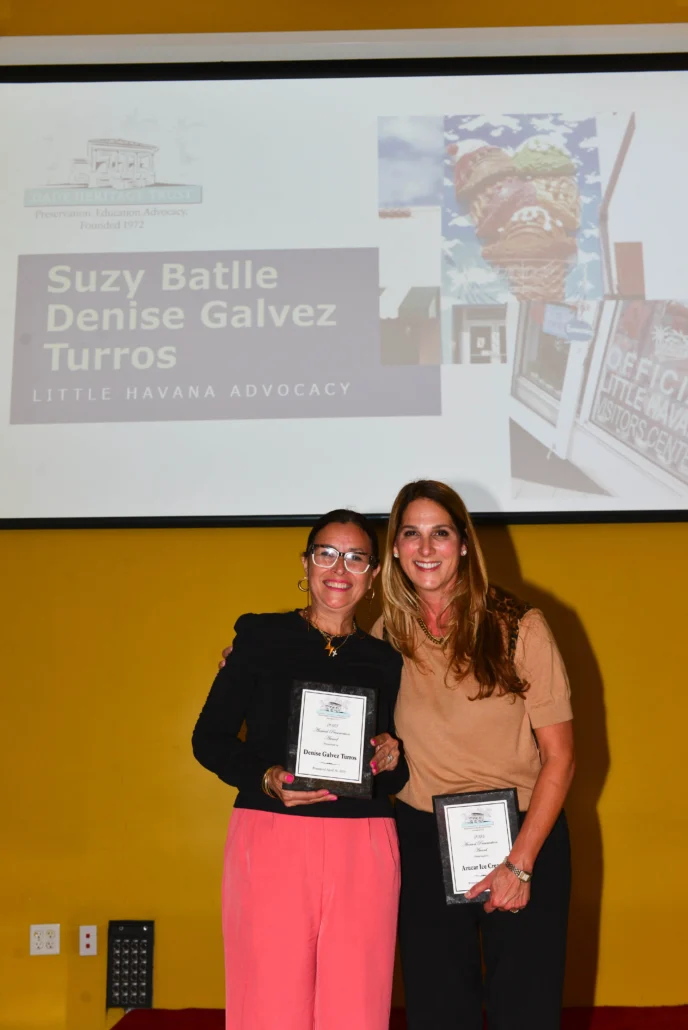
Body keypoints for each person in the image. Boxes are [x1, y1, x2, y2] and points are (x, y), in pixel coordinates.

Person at [192, 509, 408, 1030]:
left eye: (355, 557)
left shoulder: (388, 660)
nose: (339, 568)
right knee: (268, 1004)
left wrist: (392, 756)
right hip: (272, 835)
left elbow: (396, 773)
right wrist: (265, 777)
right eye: (326, 554)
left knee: (358, 1007)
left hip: (364, 842)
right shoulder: (260, 637)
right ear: (306, 563)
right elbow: (209, 739)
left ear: (374, 573)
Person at [375, 479, 575, 1030]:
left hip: (522, 835)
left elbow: (560, 758)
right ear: (395, 548)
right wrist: (251, 660)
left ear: (463, 544)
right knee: (437, 1014)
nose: (425, 548)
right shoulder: (386, 633)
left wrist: (520, 864)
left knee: (526, 1013)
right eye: (410, 534)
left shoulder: (520, 626)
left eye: (439, 533)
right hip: (422, 840)